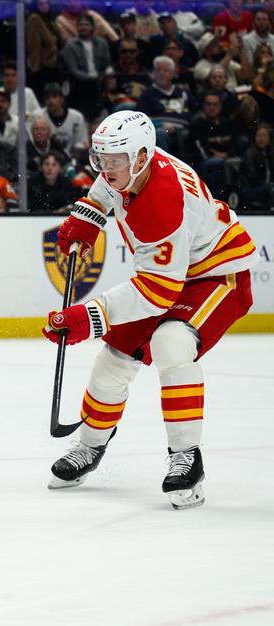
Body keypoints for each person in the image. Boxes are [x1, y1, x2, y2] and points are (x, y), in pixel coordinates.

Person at [44, 110, 259, 510]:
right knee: (113, 357)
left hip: (216, 276)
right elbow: (105, 188)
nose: (105, 170)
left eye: (114, 161)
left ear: (142, 157)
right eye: (100, 160)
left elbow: (159, 292)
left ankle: (186, 458)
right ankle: (90, 446)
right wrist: (88, 218)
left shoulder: (164, 198)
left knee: (171, 343)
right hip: (169, 275)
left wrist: (87, 317)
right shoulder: (128, 165)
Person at [138, 56, 197, 153]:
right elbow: (140, 118)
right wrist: (160, 125)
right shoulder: (148, 93)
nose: (161, 73)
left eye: (165, 70)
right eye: (158, 70)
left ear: (173, 73)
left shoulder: (183, 93)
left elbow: (196, 113)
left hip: (183, 131)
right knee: (161, 133)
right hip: (160, 131)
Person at [59, 13, 111, 118]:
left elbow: (107, 66)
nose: (83, 27)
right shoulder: (70, 45)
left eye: (86, 25)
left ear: (92, 27)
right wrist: (93, 78)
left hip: (100, 81)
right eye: (80, 25)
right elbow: (74, 70)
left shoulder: (102, 43)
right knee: (89, 85)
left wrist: (108, 76)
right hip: (80, 82)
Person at [186, 90, 233, 195]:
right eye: (209, 104)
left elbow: (234, 145)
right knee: (220, 164)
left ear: (220, 106)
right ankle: (216, 199)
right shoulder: (196, 125)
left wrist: (227, 154)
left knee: (233, 162)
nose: (212, 107)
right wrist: (213, 156)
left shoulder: (226, 124)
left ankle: (234, 196)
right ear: (204, 106)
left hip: (224, 159)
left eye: (215, 104)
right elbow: (198, 150)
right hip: (202, 162)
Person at [238, 122, 273, 208]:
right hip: (251, 188)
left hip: (267, 187)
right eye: (259, 135)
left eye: (264, 136)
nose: (261, 139)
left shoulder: (270, 154)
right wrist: (270, 185)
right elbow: (253, 177)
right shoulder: (249, 154)